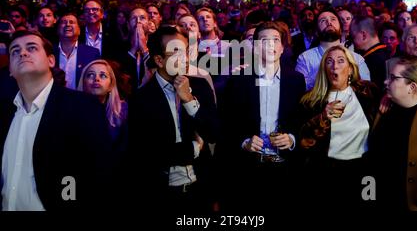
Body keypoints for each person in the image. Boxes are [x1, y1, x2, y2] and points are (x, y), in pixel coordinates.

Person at [0, 30, 112, 210]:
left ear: (51, 60)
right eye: (15, 51)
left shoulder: (82, 107)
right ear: (11, 70)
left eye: (32, 48)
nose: (22, 53)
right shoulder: (4, 113)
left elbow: (98, 177)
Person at [218, 21, 306, 211]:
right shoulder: (239, 80)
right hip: (249, 167)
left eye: (276, 40)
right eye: (264, 40)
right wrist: (244, 142)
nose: (270, 45)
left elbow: (301, 121)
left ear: (283, 47)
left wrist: (291, 139)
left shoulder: (296, 81)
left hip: (283, 166)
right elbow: (227, 123)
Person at [129, 26, 219, 213]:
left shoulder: (200, 86)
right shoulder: (141, 99)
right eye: (176, 53)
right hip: (161, 194)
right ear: (159, 60)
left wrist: (189, 100)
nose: (185, 59)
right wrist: (193, 148)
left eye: (186, 51)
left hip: (200, 188)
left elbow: (213, 133)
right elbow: (147, 152)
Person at [298, 45, 379, 210]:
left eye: (341, 61)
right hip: (328, 174)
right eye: (329, 62)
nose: (334, 66)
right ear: (324, 69)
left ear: (350, 69)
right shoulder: (310, 101)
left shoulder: (368, 93)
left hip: (364, 172)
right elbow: (304, 142)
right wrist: (323, 118)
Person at [370, 58, 417, 211]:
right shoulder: (384, 110)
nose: (385, 81)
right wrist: (367, 196)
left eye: (393, 78)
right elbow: (372, 158)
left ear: (412, 87)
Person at [296, 9, 371, 91]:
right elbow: (299, 89)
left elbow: (365, 90)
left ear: (341, 29)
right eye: (323, 20)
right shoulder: (305, 58)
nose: (329, 23)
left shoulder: (356, 59)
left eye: (333, 19)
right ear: (317, 31)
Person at [78, 59, 128, 142]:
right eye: (90, 75)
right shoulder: (72, 110)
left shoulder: (123, 110)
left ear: (111, 85)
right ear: (83, 83)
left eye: (103, 75)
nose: (96, 79)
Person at [55, 13, 100, 89]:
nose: (68, 25)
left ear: (79, 30)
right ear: (57, 29)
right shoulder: (49, 52)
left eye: (72, 22)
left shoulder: (92, 53)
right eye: (63, 22)